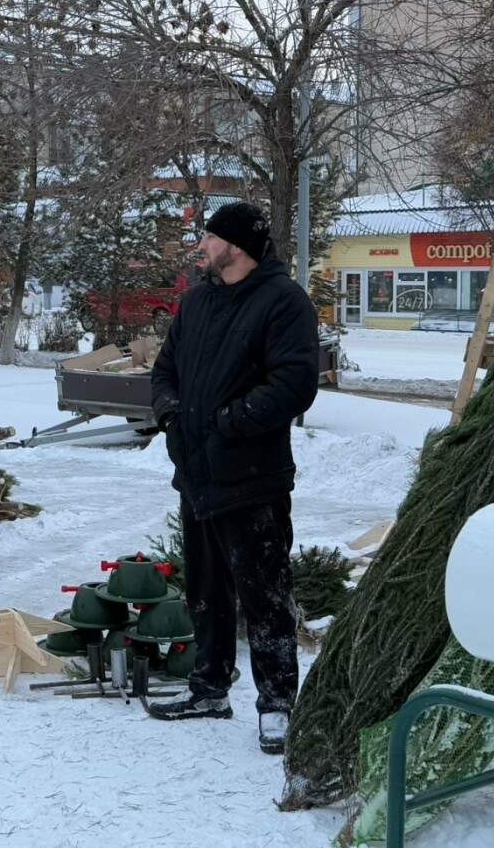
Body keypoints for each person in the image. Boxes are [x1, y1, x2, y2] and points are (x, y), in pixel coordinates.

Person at [147, 200, 320, 755]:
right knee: (205, 589)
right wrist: (172, 416)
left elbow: (295, 384)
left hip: (251, 476)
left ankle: (278, 705)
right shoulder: (197, 301)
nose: (201, 244)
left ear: (236, 245)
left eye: (209, 236)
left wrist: (227, 423)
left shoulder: (283, 302)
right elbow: (165, 371)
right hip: (196, 474)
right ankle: (210, 687)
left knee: (264, 593)